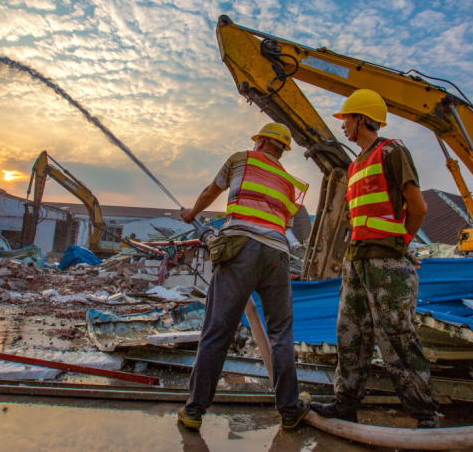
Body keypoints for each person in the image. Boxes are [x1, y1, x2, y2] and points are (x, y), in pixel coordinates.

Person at [310, 89, 442, 428]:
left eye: (347, 119)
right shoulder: (354, 166)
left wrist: (401, 244)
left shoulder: (393, 152)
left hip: (386, 263)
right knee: (350, 334)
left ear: (363, 120)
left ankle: (425, 414)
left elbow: (418, 208)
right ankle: (346, 403)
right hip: (357, 261)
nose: (342, 125)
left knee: (397, 337)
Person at [177, 122, 312, 431]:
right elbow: (285, 222)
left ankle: (194, 411)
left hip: (240, 249)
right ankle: (290, 410)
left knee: (218, 330)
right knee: (280, 334)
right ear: (283, 149)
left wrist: (192, 213)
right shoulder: (289, 182)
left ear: (261, 141)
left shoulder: (242, 159)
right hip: (277, 255)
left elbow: (211, 191)